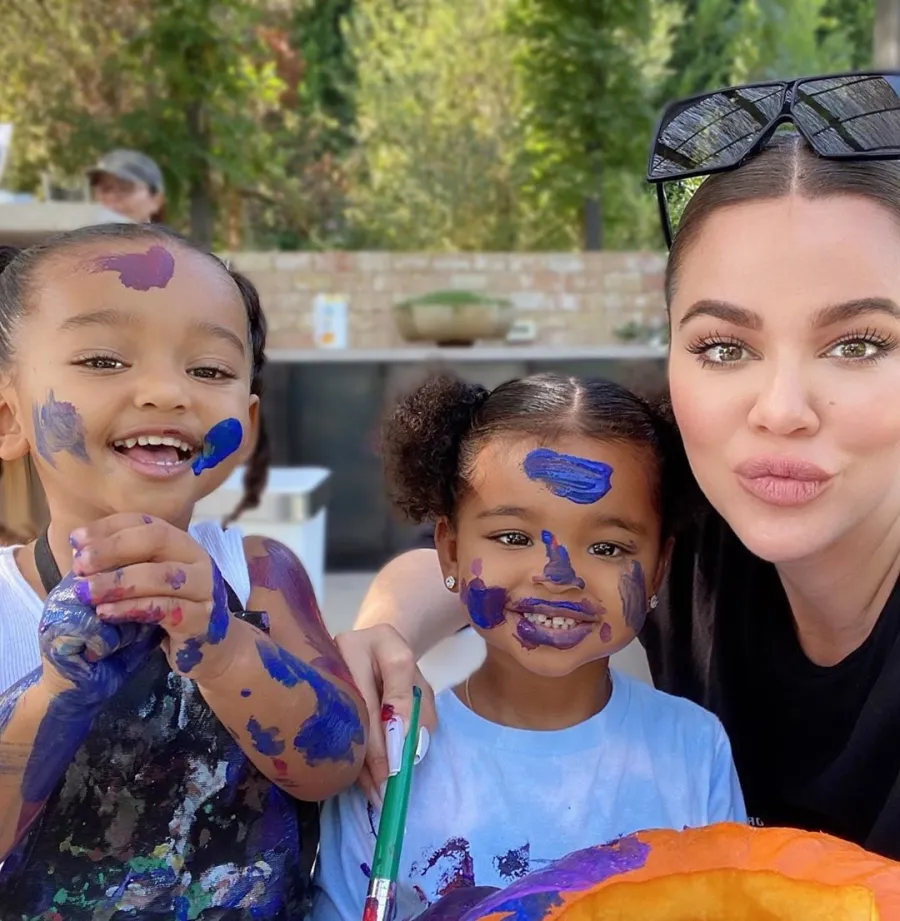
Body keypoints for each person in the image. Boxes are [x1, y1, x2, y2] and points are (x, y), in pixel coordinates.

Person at [338, 72, 900, 861]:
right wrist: (382, 638)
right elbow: (486, 559)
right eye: (724, 346)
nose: (781, 407)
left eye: (859, 344)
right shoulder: (703, 538)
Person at [0, 223, 367, 919]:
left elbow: (336, 761)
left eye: (209, 370)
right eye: (105, 359)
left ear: (247, 423)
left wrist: (224, 646)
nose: (168, 391)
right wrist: (56, 692)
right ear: (8, 415)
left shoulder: (256, 570)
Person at [314, 373, 745, 921]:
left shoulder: (694, 749)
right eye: (513, 538)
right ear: (448, 550)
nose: (557, 574)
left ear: (659, 568)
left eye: (607, 546)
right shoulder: (392, 755)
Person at [87, 149, 166, 224]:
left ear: (156, 200)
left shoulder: (168, 238)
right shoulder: (81, 236)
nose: (111, 197)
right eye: (105, 189)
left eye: (125, 188)